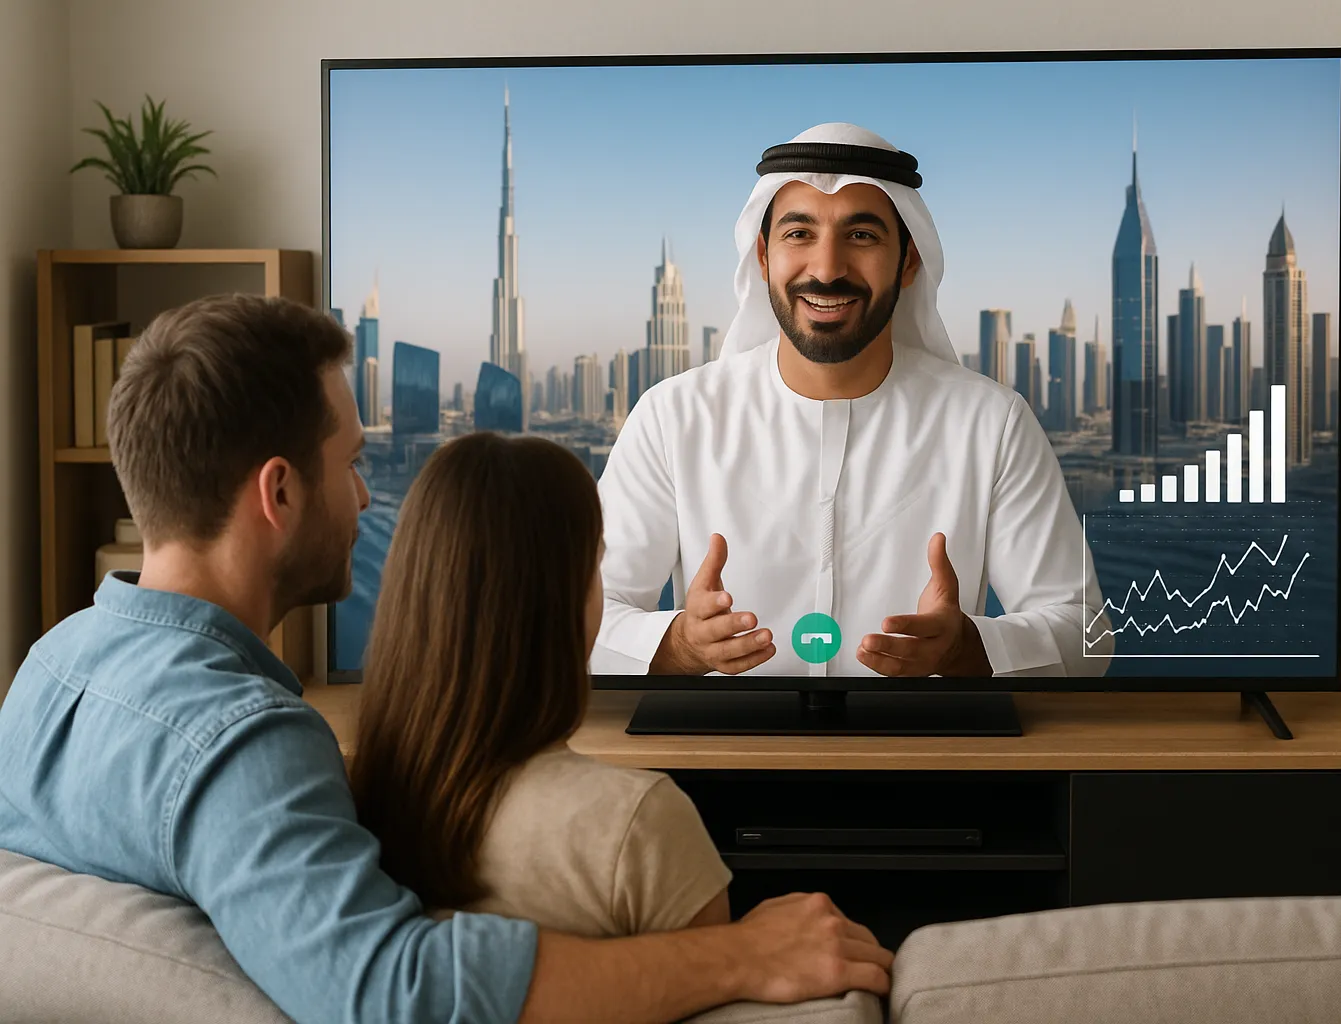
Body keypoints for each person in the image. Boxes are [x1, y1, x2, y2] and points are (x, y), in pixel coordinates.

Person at [0, 294, 892, 1024]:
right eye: (351, 462)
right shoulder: (240, 746)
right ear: (278, 492)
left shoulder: (49, 669)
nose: (364, 495)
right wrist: (734, 955)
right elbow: (395, 989)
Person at [594, 122, 1111, 680]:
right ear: (764, 257)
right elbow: (578, 622)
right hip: (719, 759)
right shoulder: (673, 418)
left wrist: (968, 647)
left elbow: (1087, 634)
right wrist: (678, 646)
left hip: (925, 761)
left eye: (861, 236)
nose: (827, 268)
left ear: (908, 262)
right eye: (799, 234)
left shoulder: (991, 424)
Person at [349, 432, 732, 937]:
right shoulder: (640, 822)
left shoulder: (348, 809)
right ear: (565, 600)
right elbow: (715, 979)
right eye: (595, 565)